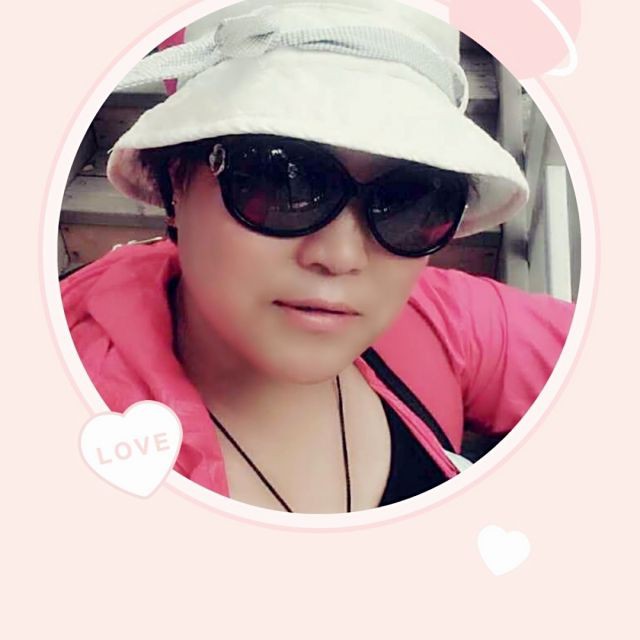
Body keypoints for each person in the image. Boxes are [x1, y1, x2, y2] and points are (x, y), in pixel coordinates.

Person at [60, 0, 574, 513]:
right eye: (279, 183)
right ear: (176, 181)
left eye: (409, 199)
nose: (342, 255)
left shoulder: (431, 314)